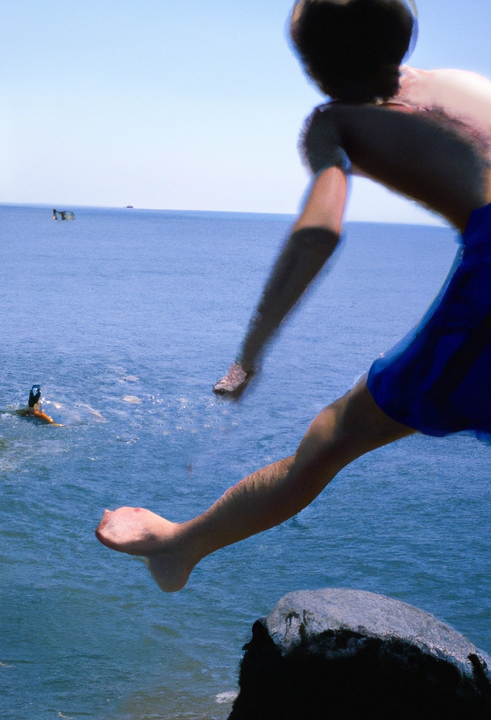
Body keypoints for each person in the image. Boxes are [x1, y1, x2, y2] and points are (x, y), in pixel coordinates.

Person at [96, 0, 491, 592]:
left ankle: (180, 548)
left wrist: (248, 354)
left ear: (311, 65)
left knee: (334, 435)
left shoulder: (333, 123)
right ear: (404, 38)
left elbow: (317, 232)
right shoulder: (466, 83)